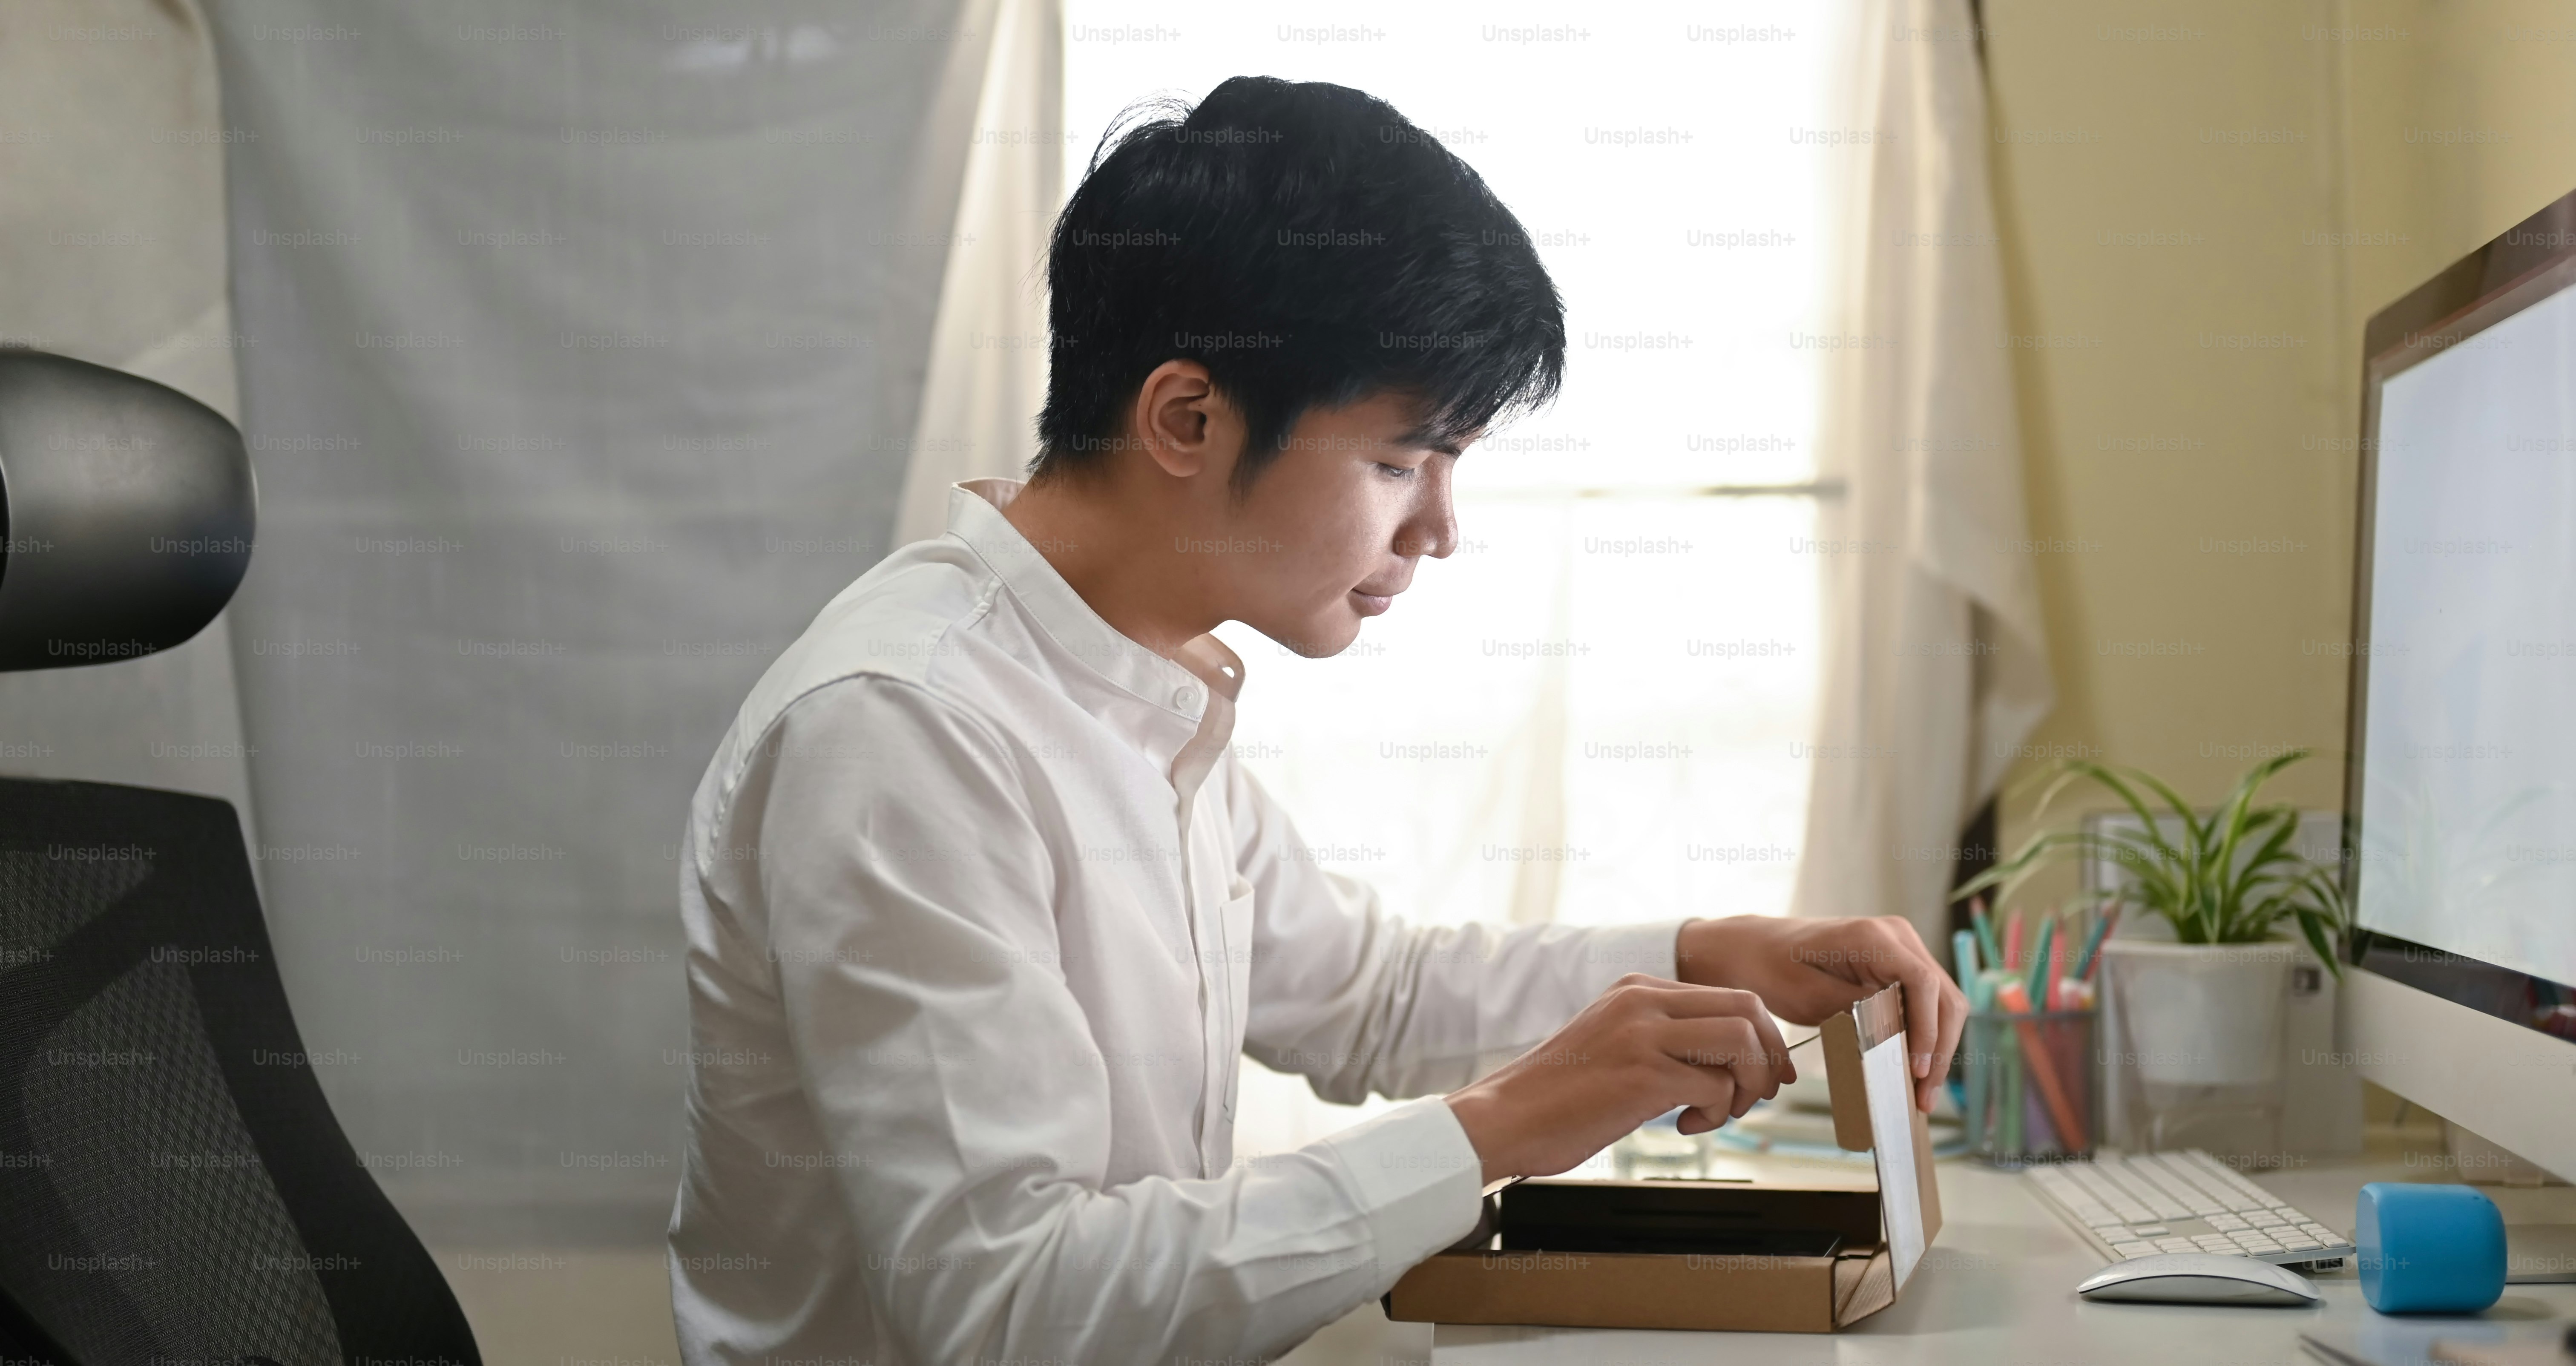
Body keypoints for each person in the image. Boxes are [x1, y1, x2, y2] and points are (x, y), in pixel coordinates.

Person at [667, 75, 1966, 1365]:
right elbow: (1013, 1310)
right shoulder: (905, 730)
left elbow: (1370, 997)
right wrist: (1503, 1125)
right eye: (1403, 460)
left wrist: (1713, 954)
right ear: (1187, 417)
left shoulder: (1131, 682)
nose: (1442, 531)